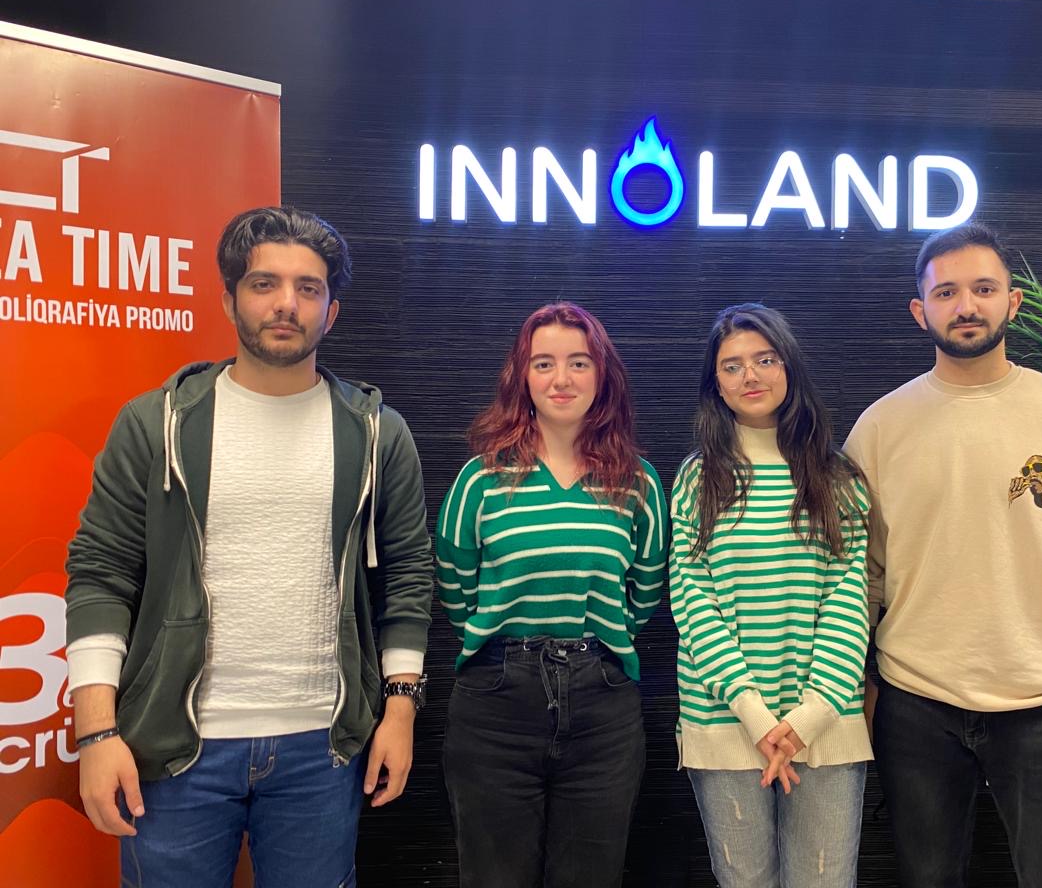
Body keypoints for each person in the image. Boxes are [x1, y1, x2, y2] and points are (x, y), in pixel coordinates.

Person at [64, 206, 434, 887]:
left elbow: (408, 573)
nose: (286, 303)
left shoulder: (378, 433)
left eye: (308, 287)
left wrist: (401, 708)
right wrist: (96, 731)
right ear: (229, 299)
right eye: (264, 283)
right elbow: (100, 574)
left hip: (323, 748)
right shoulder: (155, 423)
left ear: (332, 310)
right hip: (172, 748)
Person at [843, 221, 1042, 888]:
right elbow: (858, 581)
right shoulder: (878, 429)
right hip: (914, 705)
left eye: (983, 289)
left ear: (1012, 302)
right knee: (925, 877)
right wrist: (860, 694)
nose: (966, 306)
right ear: (920, 311)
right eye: (947, 292)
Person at [435, 301, 668, 888]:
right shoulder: (480, 478)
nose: (561, 379)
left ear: (602, 374)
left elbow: (645, 590)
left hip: (603, 707)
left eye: (578, 363)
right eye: (544, 363)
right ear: (523, 376)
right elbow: (454, 584)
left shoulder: (638, 482)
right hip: (495, 705)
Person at [669, 303, 872, 888]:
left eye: (764, 359)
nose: (749, 376)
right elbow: (693, 605)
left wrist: (809, 716)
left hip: (826, 725)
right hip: (724, 722)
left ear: (789, 368)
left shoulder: (837, 477)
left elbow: (849, 601)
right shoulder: (697, 478)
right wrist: (756, 716)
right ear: (716, 384)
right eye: (731, 366)